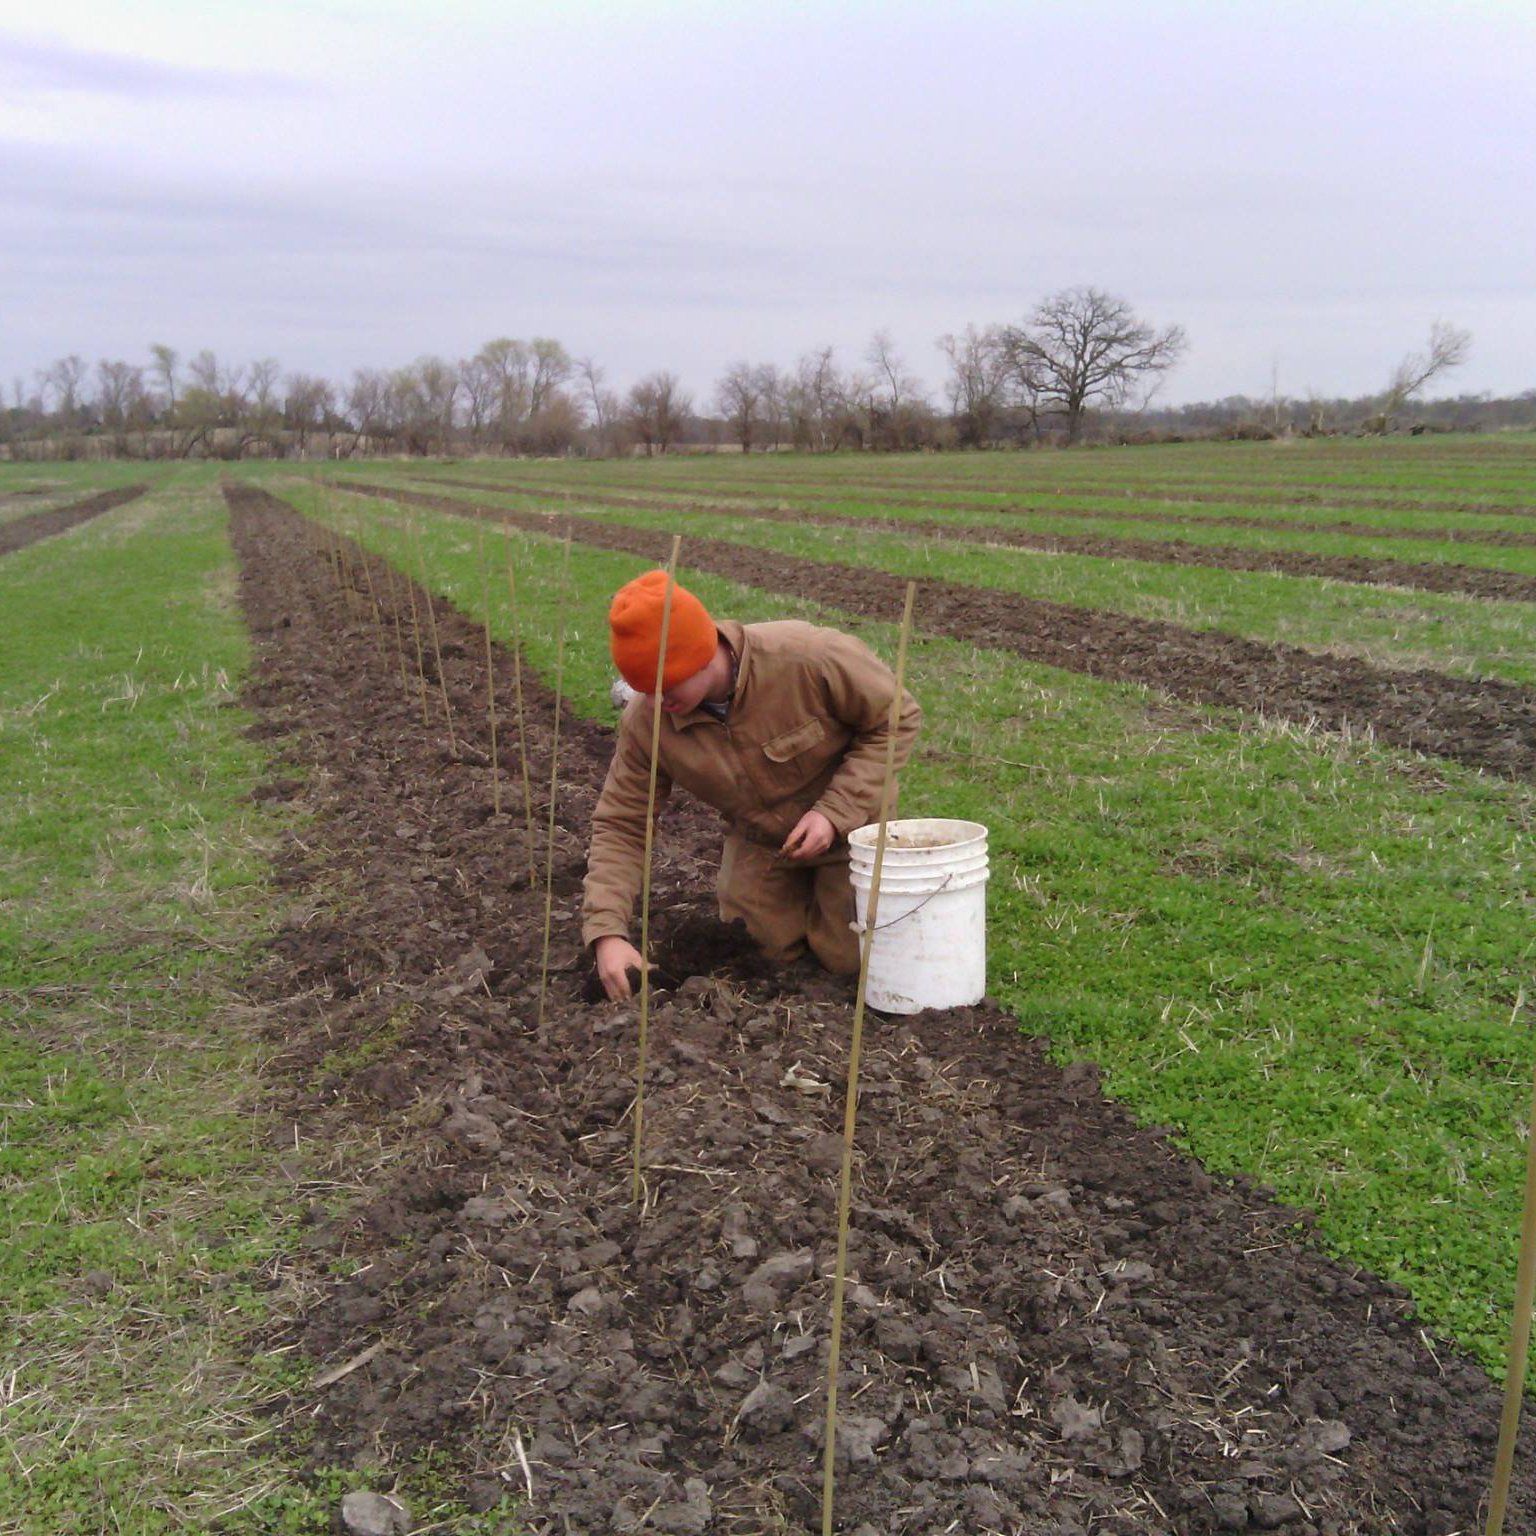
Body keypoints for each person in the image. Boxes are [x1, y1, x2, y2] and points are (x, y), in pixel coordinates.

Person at [583, 570, 922, 1001]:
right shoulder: (649, 720)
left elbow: (896, 718)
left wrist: (833, 813)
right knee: (754, 955)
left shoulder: (808, 657)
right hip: (763, 841)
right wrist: (607, 933)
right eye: (644, 690)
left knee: (849, 961)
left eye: (665, 685)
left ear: (701, 654)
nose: (657, 702)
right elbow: (622, 822)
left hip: (853, 829)